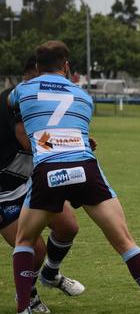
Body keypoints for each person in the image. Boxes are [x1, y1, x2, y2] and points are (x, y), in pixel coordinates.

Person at [8, 40, 140, 314]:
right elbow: (71, 128)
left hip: (48, 172)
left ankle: (24, 308)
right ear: (67, 67)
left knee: (25, 241)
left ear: (37, 67)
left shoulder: (22, 90)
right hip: (85, 168)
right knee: (125, 241)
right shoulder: (84, 96)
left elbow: (17, 109)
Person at [2, 56, 86, 313]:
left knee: (68, 227)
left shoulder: (40, 98)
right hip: (3, 191)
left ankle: (50, 274)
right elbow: (31, 144)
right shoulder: (12, 102)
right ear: (35, 75)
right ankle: (29, 297)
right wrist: (70, 144)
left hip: (30, 181)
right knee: (35, 248)